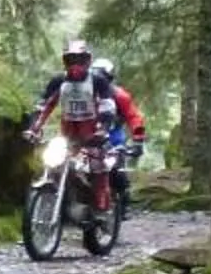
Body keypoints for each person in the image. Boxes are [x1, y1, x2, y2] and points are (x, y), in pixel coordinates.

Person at [25, 37, 146, 212]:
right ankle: (62, 205)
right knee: (56, 162)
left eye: (80, 61)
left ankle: (107, 207)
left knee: (108, 170)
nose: (75, 66)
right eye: (71, 60)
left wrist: (136, 139)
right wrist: (33, 128)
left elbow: (131, 116)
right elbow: (45, 105)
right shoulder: (61, 82)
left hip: (105, 135)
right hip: (70, 135)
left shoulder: (116, 94)